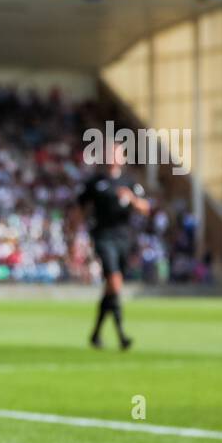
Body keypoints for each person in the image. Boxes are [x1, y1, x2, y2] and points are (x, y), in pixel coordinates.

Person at [77, 141, 150, 350]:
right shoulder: (96, 182)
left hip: (123, 239)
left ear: (123, 157)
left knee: (111, 287)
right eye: (109, 153)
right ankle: (121, 335)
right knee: (115, 282)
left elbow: (146, 207)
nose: (112, 157)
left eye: (116, 153)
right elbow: (79, 208)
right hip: (103, 237)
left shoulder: (129, 183)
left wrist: (133, 200)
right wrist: (77, 237)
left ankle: (95, 334)